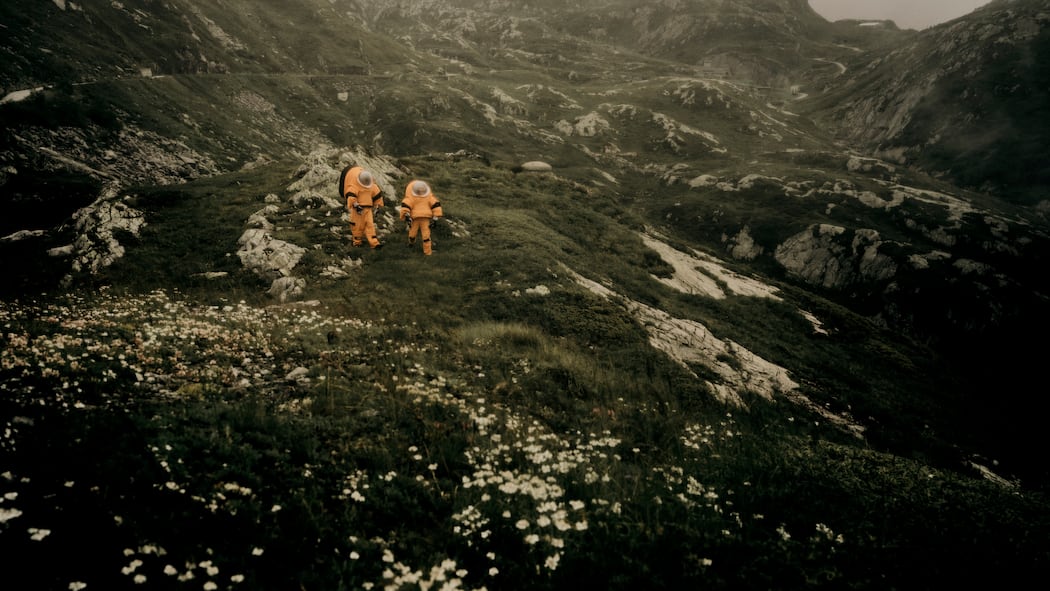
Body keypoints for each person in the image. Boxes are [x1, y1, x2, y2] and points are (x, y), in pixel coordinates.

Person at [341, 166, 384, 249]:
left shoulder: (372, 186)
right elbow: (351, 195)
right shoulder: (354, 186)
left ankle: (374, 243)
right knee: (357, 225)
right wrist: (355, 205)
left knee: (370, 225)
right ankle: (357, 242)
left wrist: (377, 206)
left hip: (367, 209)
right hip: (358, 209)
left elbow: (377, 196)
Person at [399, 180, 444, 255]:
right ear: (416, 189)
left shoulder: (429, 197)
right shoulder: (412, 198)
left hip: (424, 219)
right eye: (419, 189)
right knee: (412, 234)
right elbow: (406, 205)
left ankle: (427, 252)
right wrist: (406, 214)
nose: (421, 191)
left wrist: (436, 216)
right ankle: (411, 243)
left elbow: (435, 205)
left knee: (426, 235)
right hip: (415, 219)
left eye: (423, 189)